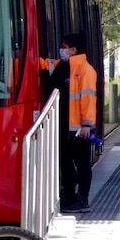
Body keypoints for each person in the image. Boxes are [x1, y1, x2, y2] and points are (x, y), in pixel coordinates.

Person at [40, 33, 98, 214]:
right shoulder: (62, 66)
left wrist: (86, 125)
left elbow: (88, 99)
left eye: (65, 47)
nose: (61, 50)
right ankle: (70, 196)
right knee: (65, 162)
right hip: (62, 126)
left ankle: (82, 199)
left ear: (74, 50)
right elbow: (43, 63)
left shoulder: (86, 70)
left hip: (79, 129)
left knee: (82, 164)